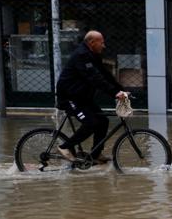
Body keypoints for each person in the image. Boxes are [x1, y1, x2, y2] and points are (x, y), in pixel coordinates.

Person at [55, 30, 128, 164]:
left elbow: (105, 75)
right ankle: (64, 147)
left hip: (83, 98)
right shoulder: (81, 55)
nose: (103, 46)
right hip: (70, 97)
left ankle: (95, 153)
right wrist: (114, 94)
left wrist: (121, 90)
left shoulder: (93, 55)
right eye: (101, 42)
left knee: (103, 121)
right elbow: (95, 78)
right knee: (91, 123)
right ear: (92, 42)